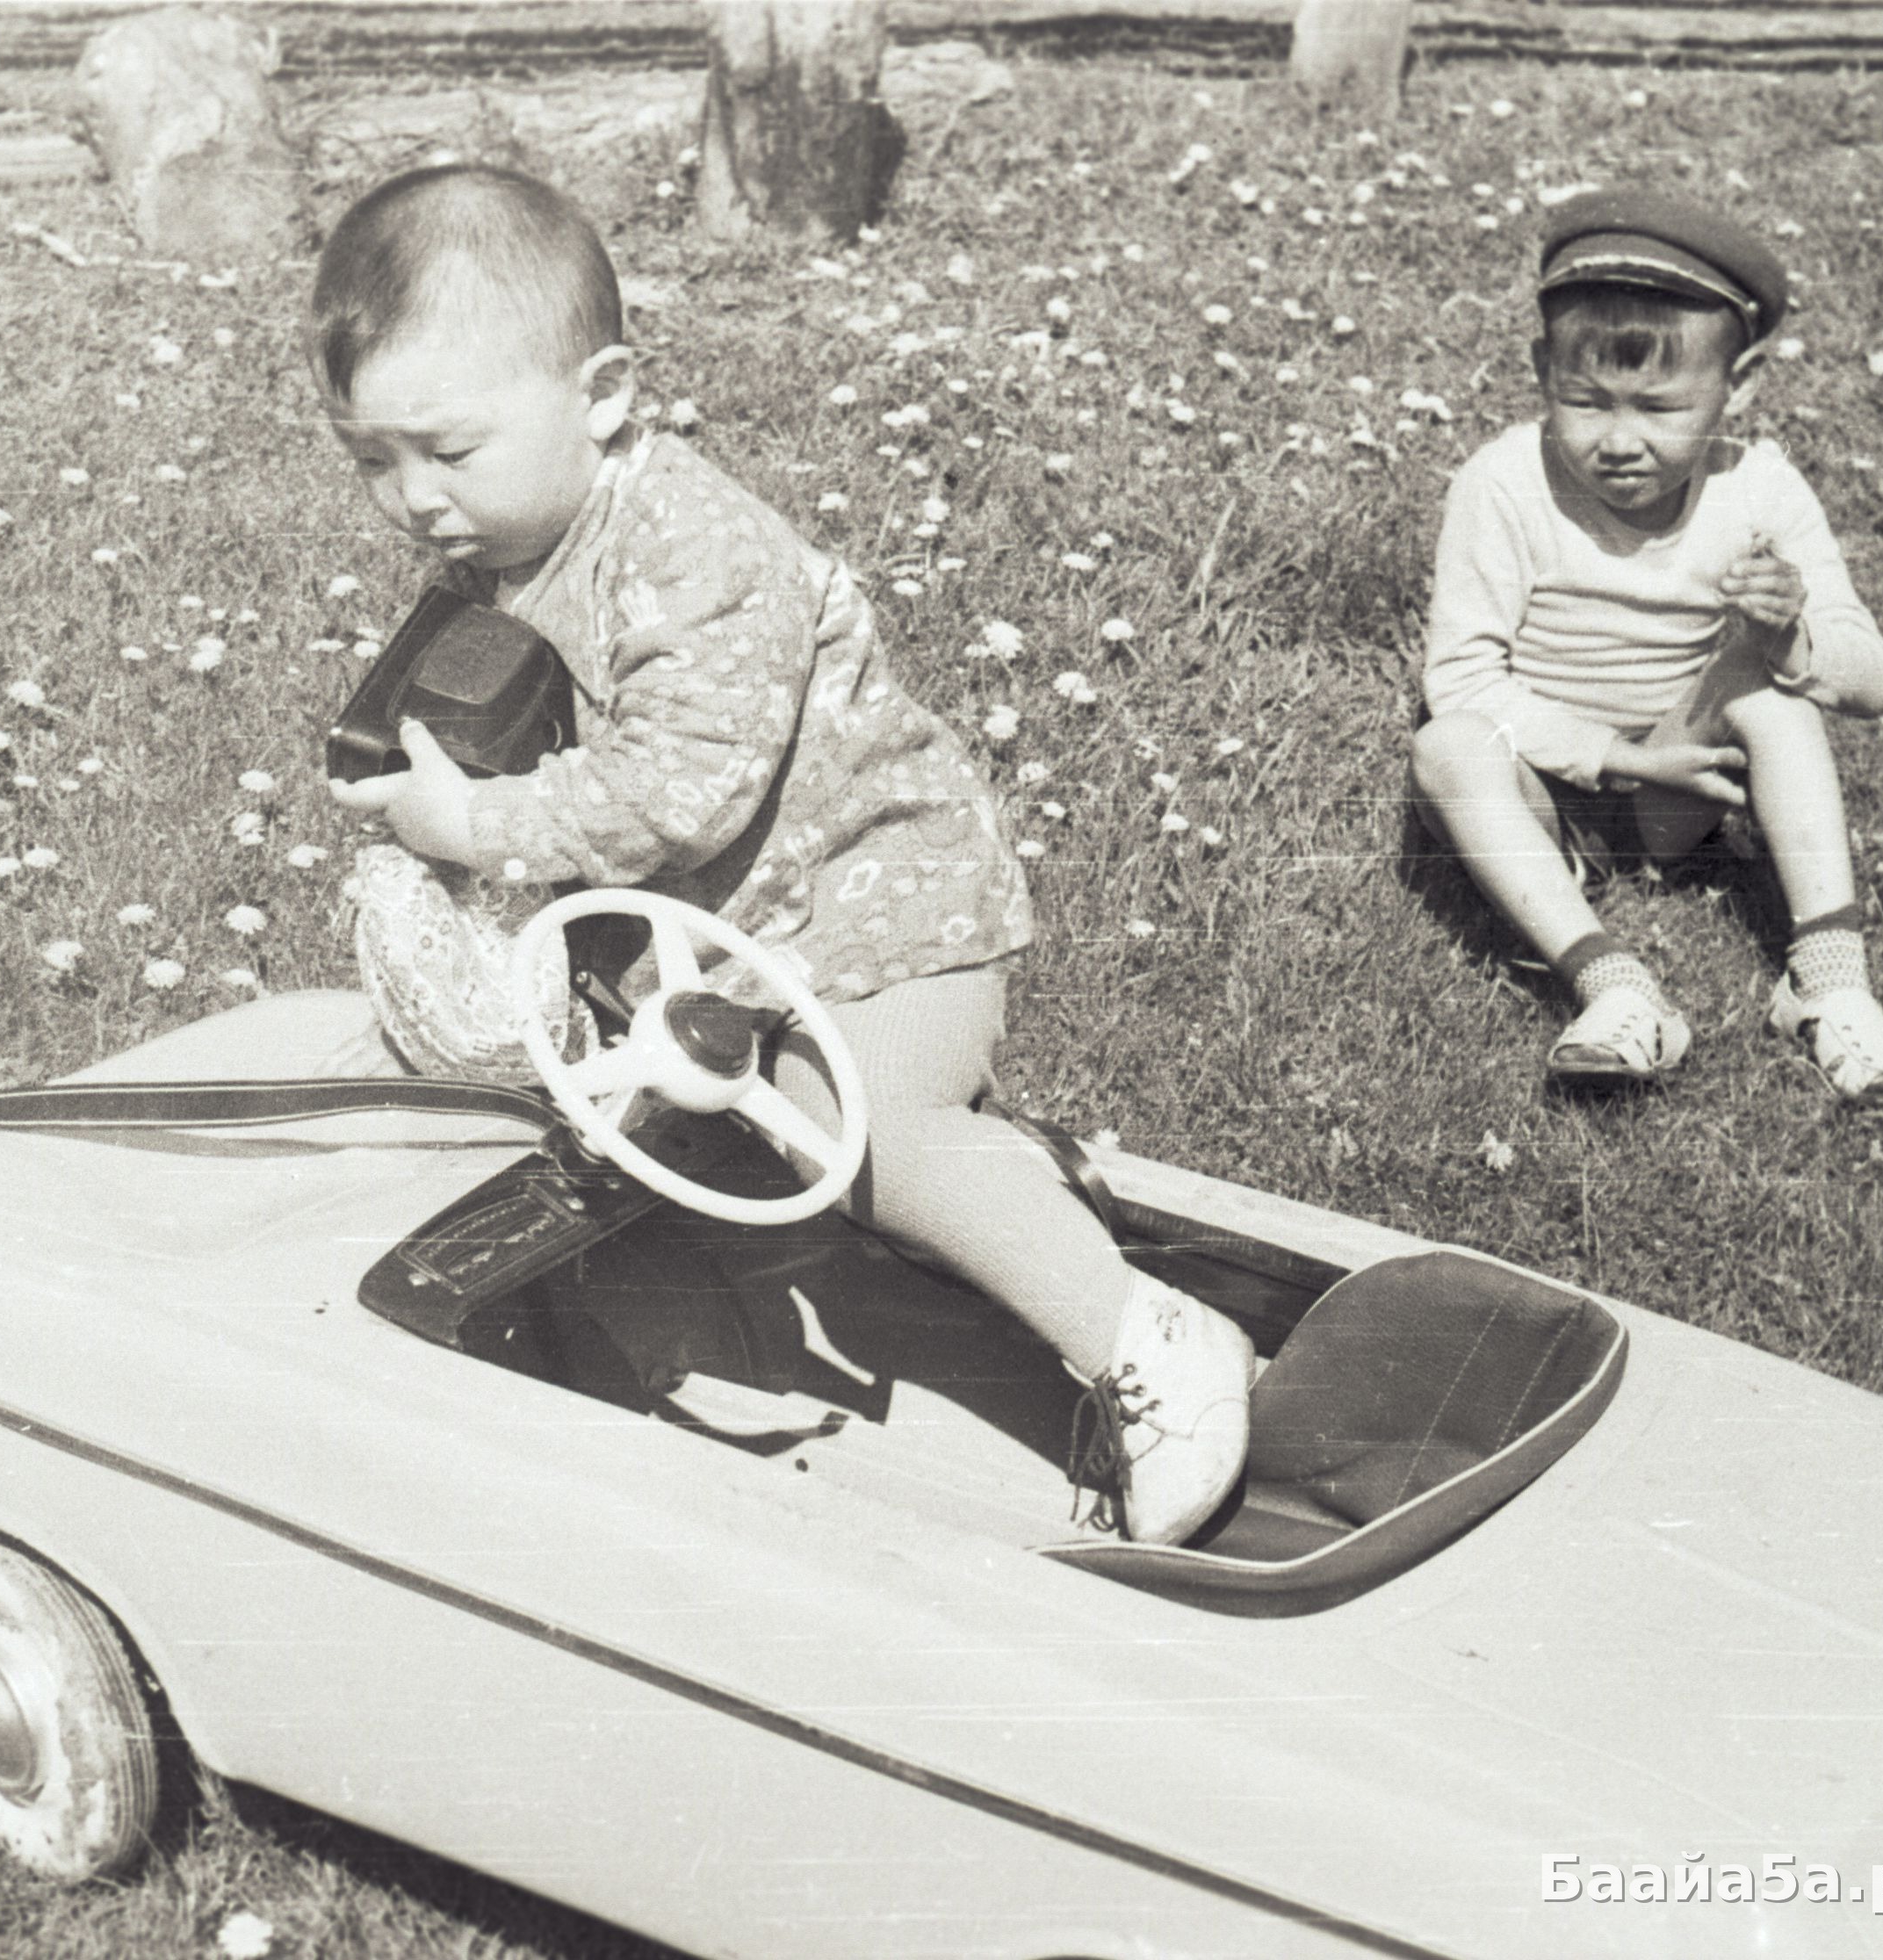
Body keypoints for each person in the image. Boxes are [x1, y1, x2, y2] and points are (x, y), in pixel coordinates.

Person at [314, 162, 1252, 1545]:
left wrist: (480, 827)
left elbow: (680, 793)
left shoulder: (695, 551)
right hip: (729, 946)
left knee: (875, 1136)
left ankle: (1150, 1340)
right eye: (372, 460)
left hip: (883, 913)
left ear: (606, 395)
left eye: (448, 452)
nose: (412, 498)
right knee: (655, 1135)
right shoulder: (507, 551)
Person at [1411, 189, 1883, 1104]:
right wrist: (1613, 757)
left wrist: (1790, 638)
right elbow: (1460, 679)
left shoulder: (1759, 489)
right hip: (1543, 802)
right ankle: (1614, 988)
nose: (1619, 441)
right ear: (1540, 370)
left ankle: (1829, 986)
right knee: (1446, 746)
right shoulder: (1503, 484)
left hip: (1676, 793)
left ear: (1741, 385)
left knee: (1767, 687)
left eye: (1659, 408)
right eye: (1584, 401)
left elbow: (1875, 682)